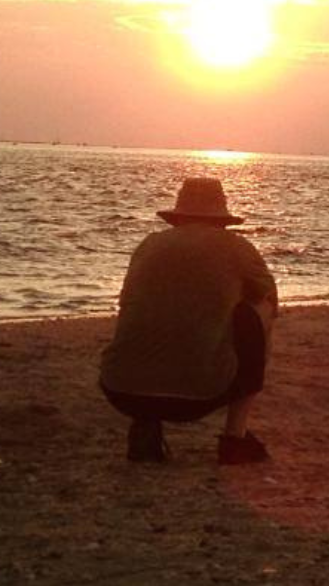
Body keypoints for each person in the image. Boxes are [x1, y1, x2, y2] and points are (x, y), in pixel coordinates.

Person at [100, 177, 278, 465]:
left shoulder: (150, 244)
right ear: (221, 218)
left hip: (120, 388)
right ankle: (234, 437)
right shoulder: (236, 247)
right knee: (260, 310)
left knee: (154, 311)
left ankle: (146, 423)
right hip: (198, 397)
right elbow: (267, 295)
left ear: (178, 215)